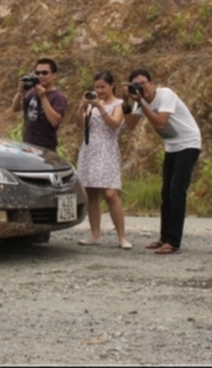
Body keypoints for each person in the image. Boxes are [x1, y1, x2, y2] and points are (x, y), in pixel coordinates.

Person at [121, 69, 201, 255]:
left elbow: (161, 123)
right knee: (166, 193)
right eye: (136, 85)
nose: (141, 88)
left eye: (144, 84)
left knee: (177, 192)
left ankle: (173, 241)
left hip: (189, 143)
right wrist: (126, 101)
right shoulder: (139, 102)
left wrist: (140, 101)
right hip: (172, 146)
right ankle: (164, 237)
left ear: (152, 83)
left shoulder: (166, 94)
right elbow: (130, 125)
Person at [75, 71, 132, 249]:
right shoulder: (91, 105)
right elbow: (81, 125)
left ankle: (122, 236)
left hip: (107, 150)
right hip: (90, 149)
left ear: (112, 85)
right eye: (97, 87)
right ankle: (95, 233)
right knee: (91, 193)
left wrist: (100, 107)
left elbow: (114, 124)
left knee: (110, 194)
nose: (99, 91)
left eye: (103, 87)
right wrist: (81, 106)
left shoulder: (119, 104)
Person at [11, 58, 67, 151]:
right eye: (37, 73)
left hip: (45, 147)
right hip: (28, 143)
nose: (40, 76)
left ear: (54, 75)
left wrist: (43, 97)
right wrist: (20, 92)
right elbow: (15, 108)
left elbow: (55, 121)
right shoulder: (33, 92)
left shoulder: (58, 97)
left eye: (44, 73)